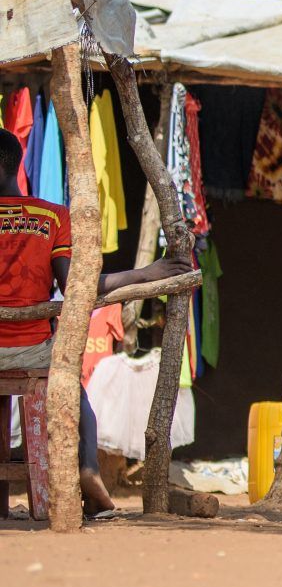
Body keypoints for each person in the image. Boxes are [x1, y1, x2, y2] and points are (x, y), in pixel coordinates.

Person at [0, 129, 178, 521]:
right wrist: (147, 272)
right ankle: (88, 469)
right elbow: (77, 287)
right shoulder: (52, 217)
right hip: (32, 350)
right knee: (74, 393)